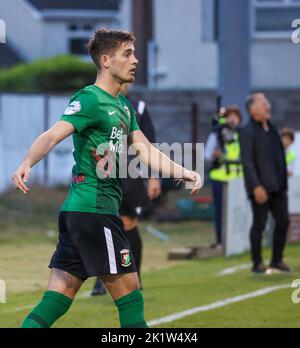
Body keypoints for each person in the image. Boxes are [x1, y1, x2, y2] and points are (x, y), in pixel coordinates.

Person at [12, 29, 202, 328]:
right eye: (127, 53)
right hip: (94, 211)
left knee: (59, 294)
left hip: (82, 212)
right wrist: (27, 162)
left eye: (134, 53)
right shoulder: (89, 99)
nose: (135, 60)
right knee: (131, 297)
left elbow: (147, 151)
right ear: (105, 60)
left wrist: (185, 172)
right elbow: (52, 136)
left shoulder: (124, 107)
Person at [91, 83, 161, 296]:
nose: (126, 83)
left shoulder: (138, 107)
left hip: (130, 175)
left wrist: (153, 177)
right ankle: (102, 278)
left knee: (128, 224)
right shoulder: (98, 103)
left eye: (129, 80)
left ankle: (134, 278)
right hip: (103, 174)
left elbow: (150, 144)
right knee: (104, 224)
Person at [240, 93, 290, 274]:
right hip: (260, 187)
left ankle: (277, 260)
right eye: (263, 103)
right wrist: (256, 186)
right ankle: (257, 262)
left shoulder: (272, 129)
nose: (268, 105)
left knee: (283, 221)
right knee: (259, 224)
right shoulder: (247, 132)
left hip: (278, 187)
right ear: (253, 109)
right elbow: (248, 161)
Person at [205, 106, 243, 250]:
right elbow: (207, 154)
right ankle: (221, 241)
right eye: (230, 116)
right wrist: (216, 154)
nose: (232, 119)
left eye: (235, 116)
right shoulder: (217, 134)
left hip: (238, 179)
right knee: (220, 211)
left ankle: (237, 241)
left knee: (238, 211)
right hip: (220, 178)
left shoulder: (242, 134)